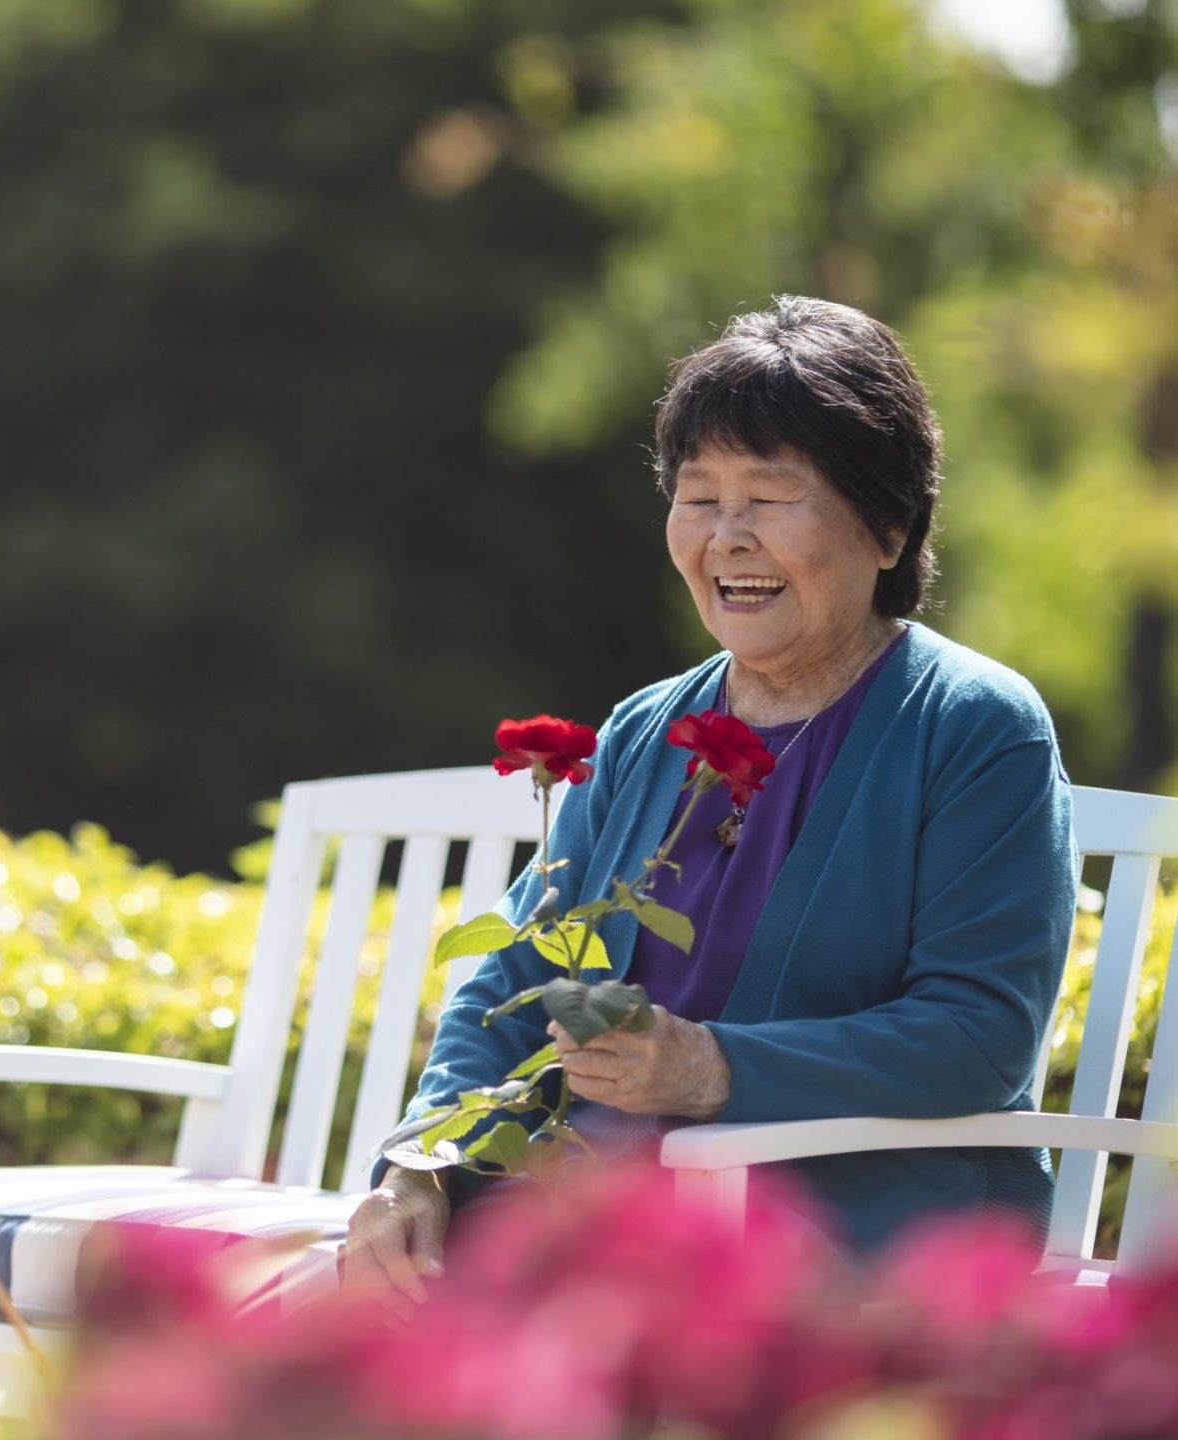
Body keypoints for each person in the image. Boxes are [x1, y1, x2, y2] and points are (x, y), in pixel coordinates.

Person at [341, 296, 1077, 1308]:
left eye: (771, 499)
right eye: (699, 497)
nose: (727, 538)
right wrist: (419, 1164)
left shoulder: (975, 726)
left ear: (890, 526)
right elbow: (515, 975)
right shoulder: (649, 730)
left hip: (836, 1235)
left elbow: (977, 1035)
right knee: (306, 1330)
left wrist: (712, 1068)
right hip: (587, 1221)